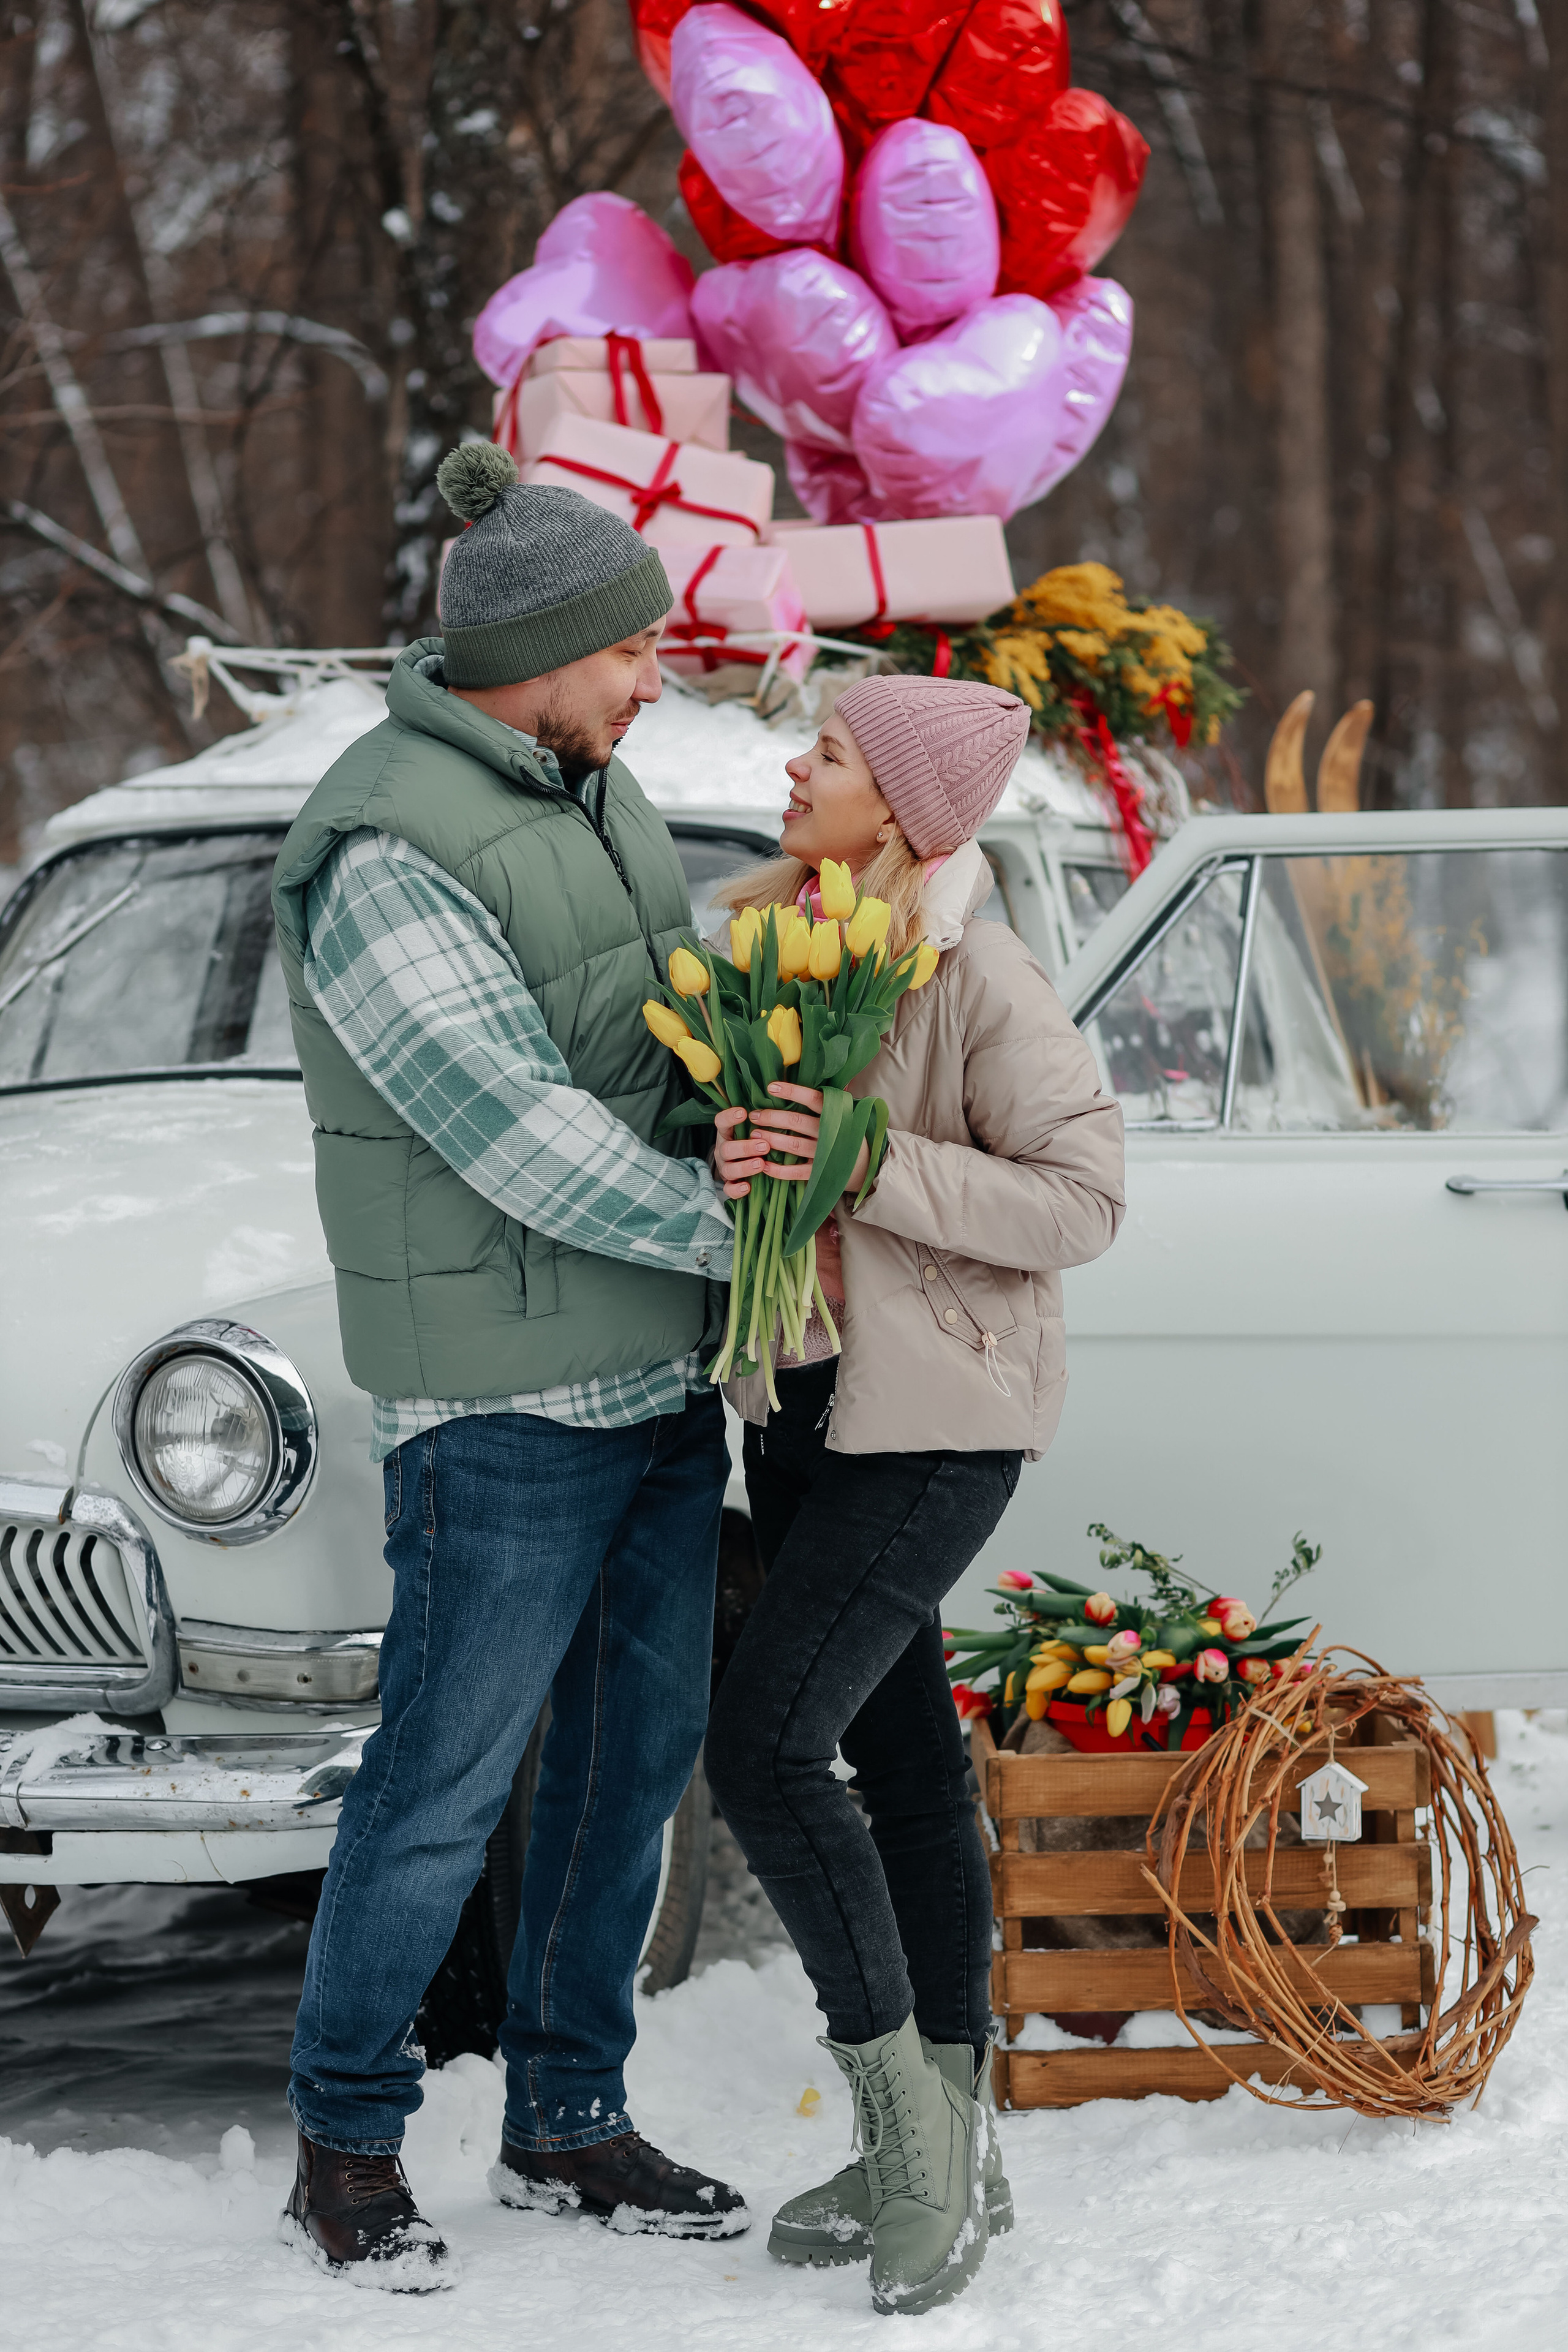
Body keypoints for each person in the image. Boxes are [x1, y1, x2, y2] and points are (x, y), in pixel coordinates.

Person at [269, 444, 749, 2286]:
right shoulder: (388, 846)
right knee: (443, 1785)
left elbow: (655, 1020)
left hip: (647, 1380)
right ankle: (345, 2141)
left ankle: (567, 2116)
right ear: (541, 655)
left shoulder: (586, 786)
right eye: (633, 651)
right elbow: (515, 1132)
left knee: (630, 1774)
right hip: (506, 1404)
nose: (656, 678)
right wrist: (752, 1239)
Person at [702, 674, 1126, 2317]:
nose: (793, 769)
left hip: (938, 1419)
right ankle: (952, 2142)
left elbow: (1084, 1199)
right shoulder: (781, 947)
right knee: (897, 1759)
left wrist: (868, 1163)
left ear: (900, 805)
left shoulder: (980, 969)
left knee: (762, 1744)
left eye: (826, 754)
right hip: (804, 1406)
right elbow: (779, 1167)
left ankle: (914, 2145)